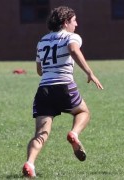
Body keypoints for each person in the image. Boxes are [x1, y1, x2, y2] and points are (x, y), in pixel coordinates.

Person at [22, 6, 104, 178]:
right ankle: (74, 133)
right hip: (64, 85)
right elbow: (74, 50)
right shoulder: (72, 36)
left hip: (44, 89)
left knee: (41, 133)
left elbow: (39, 70)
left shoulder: (42, 41)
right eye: (74, 21)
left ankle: (30, 163)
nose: (77, 24)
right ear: (66, 22)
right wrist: (90, 73)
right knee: (83, 112)